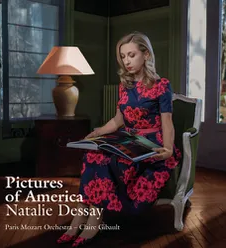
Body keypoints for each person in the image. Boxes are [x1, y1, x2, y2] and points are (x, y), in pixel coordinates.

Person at [57, 31, 181, 247]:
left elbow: (167, 122)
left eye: (131, 55)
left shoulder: (162, 85)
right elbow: (117, 120)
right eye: (123, 57)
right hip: (127, 139)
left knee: (108, 161)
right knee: (92, 155)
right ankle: (80, 218)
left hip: (152, 145)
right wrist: (98, 132)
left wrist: (169, 148)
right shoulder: (126, 85)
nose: (126, 61)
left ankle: (93, 222)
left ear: (147, 55)